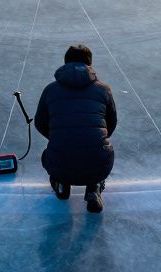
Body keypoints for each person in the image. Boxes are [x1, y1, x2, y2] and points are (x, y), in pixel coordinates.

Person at [34, 44, 117, 213]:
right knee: (101, 151)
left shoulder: (50, 90)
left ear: (65, 63)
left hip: (59, 160)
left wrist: (60, 137)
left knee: (49, 155)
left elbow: (39, 123)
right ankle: (94, 188)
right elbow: (111, 123)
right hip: (98, 162)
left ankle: (62, 184)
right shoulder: (103, 90)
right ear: (89, 64)